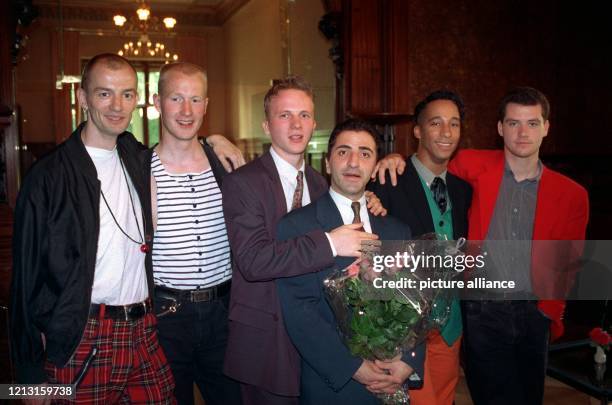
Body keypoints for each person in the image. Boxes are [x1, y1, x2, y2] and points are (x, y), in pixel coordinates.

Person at [375, 87, 589, 405]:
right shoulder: (473, 167)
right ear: (500, 128)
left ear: (546, 127)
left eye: (532, 123)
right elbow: (429, 156)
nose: (523, 132)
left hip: (533, 313)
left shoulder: (572, 194)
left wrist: (550, 313)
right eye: (514, 123)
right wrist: (391, 159)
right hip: (480, 311)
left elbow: (568, 262)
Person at [10, 53, 175, 403]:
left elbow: (181, 145)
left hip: (143, 330)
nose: (117, 106)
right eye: (104, 94)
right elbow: (25, 280)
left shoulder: (137, 158)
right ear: (83, 98)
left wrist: (213, 142)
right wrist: (27, 376)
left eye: (127, 94)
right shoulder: (48, 177)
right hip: (83, 335)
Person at [221, 76, 382, 405]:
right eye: (285, 115)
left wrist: (368, 201)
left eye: (305, 115)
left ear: (314, 123)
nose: (296, 124)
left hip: (316, 340)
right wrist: (330, 243)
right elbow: (253, 261)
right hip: (267, 341)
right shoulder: (243, 183)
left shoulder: (322, 185)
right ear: (267, 125)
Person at [276, 118, 424, 404]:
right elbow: (299, 313)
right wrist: (353, 368)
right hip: (333, 384)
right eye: (344, 152)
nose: (354, 162)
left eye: (365, 154)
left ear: (374, 166)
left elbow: (416, 304)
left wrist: (409, 361)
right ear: (328, 163)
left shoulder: (397, 230)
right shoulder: (297, 227)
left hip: (392, 380)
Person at [369, 90, 472, 405]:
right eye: (436, 123)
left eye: (454, 124)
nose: (446, 133)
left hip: (451, 328)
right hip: (405, 334)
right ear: (417, 130)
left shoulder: (463, 190)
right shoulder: (388, 182)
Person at [148, 62, 242, 405]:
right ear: (157, 103)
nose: (186, 111)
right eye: (176, 98)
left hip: (224, 313)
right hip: (166, 318)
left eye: (195, 99)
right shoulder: (139, 168)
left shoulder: (227, 163)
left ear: (206, 104)